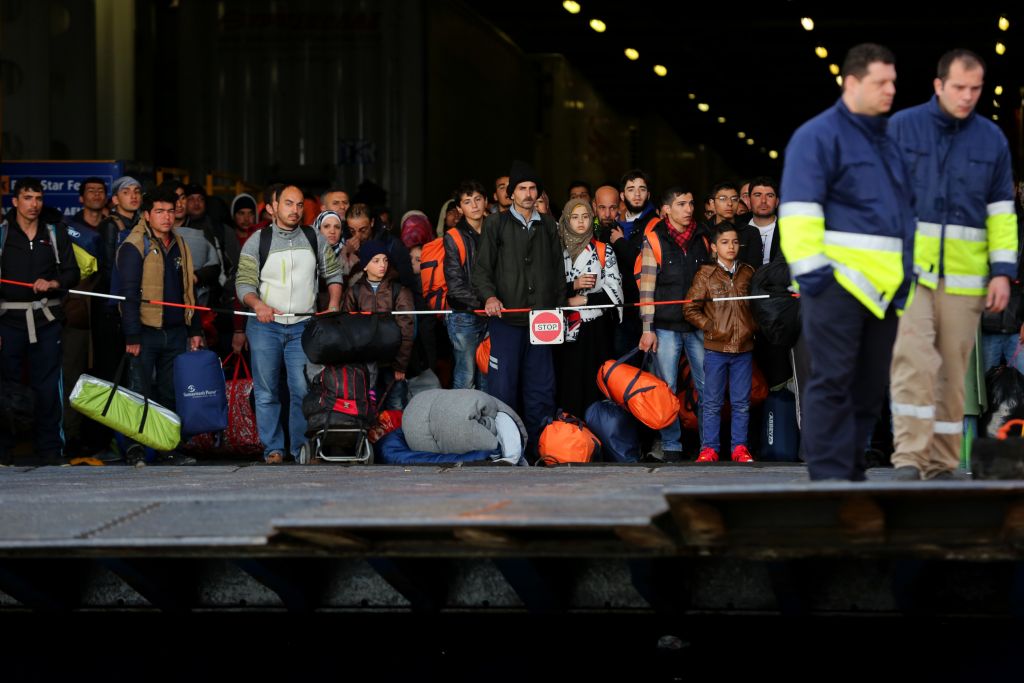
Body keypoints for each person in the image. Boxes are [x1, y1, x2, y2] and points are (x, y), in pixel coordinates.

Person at [779, 43, 915, 482]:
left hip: (885, 289)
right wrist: (817, 279)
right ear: (851, 83)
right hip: (836, 286)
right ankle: (830, 480)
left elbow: (904, 214)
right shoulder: (817, 137)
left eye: (893, 81)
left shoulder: (890, 140)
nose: (891, 90)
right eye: (881, 82)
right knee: (833, 383)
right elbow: (798, 212)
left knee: (869, 390)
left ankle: (850, 474)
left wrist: (906, 277)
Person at [888, 49, 1018, 481]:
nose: (967, 97)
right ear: (938, 85)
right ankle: (909, 456)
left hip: (965, 279)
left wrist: (1002, 270)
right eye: (959, 88)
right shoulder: (904, 128)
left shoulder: (991, 139)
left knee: (951, 370)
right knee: (913, 361)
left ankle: (941, 461)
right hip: (913, 274)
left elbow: (1001, 212)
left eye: (975, 89)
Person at [235, 185, 344, 464]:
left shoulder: (314, 237)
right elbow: (244, 283)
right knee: (267, 390)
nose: (294, 210)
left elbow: (333, 273)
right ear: (273, 206)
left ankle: (300, 449)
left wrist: (333, 305)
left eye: (298, 205)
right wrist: (258, 305)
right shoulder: (257, 240)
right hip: (264, 326)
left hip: (304, 327)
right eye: (288, 204)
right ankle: (273, 448)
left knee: (302, 389)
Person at [473, 161, 565, 459]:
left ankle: (540, 449)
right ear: (510, 194)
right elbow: (482, 269)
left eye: (532, 188)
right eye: (522, 189)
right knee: (504, 388)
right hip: (506, 320)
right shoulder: (495, 224)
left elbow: (557, 271)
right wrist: (488, 297)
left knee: (541, 388)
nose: (528, 194)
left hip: (542, 321)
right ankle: (506, 449)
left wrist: (559, 308)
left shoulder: (548, 224)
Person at [116, 186, 203, 465]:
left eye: (170, 211)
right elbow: (127, 294)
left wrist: (195, 329)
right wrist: (132, 334)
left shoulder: (179, 244)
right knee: (138, 392)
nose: (167, 217)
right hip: (144, 331)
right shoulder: (134, 245)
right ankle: (135, 448)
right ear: (146, 214)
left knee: (169, 393)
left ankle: (167, 448)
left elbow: (189, 289)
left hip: (175, 332)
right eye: (159, 212)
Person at [0, 178, 80, 465]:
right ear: (15, 201)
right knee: (6, 385)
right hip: (8, 320)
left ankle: (49, 448)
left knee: (48, 386)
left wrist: (54, 281)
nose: (34, 204)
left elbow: (73, 273)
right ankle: (4, 449)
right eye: (27, 198)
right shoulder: (3, 233)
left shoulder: (55, 232)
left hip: (46, 320)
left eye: (38, 198)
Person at [637, 187, 710, 461]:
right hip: (666, 327)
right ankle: (672, 446)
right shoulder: (653, 240)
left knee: (707, 387)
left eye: (691, 203)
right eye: (681, 204)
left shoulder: (703, 238)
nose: (689, 208)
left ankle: (709, 446)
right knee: (665, 389)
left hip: (698, 325)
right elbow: (646, 290)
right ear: (666, 209)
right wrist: (647, 329)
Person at [684, 223, 757, 463]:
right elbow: (690, 308)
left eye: (735, 242)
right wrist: (711, 326)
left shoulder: (748, 272)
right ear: (714, 247)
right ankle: (709, 449)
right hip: (715, 349)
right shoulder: (705, 274)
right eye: (725, 242)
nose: (731, 247)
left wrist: (752, 327)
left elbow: (758, 308)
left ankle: (739, 448)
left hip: (744, 349)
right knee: (712, 401)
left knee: (741, 403)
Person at [555, 197, 623, 418]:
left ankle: (599, 438)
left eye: (585, 217)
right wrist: (572, 287)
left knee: (597, 384)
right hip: (562, 330)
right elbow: (545, 290)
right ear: (566, 220)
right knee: (567, 384)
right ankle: (569, 438)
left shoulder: (604, 251)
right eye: (574, 217)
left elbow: (615, 293)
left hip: (596, 328)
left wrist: (583, 300)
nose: (581, 222)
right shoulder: (555, 253)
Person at [343, 241, 415, 409]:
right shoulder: (354, 292)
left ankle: (394, 436)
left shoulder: (399, 290)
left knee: (396, 406)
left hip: (392, 363)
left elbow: (407, 328)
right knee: (367, 407)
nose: (382, 265)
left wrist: (401, 365)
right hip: (364, 364)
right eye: (376, 261)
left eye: (385, 260)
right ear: (365, 266)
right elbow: (346, 329)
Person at [444, 181, 489, 391]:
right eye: (468, 202)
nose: (475, 205)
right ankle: (459, 423)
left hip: (493, 313)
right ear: (460, 209)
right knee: (466, 375)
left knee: (488, 374)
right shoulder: (453, 236)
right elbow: (455, 285)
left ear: (486, 201)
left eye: (478, 199)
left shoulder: (495, 230)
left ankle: (487, 423)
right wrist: (486, 302)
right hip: (464, 315)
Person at [313, 209, 349, 311]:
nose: (332, 231)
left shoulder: (349, 254)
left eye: (337, 227)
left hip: (338, 311)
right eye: (326, 226)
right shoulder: (308, 253)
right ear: (318, 229)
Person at [745, 176, 782, 267]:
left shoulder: (788, 230)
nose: (763, 201)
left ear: (777, 202)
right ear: (749, 200)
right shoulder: (737, 227)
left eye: (770, 196)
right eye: (758, 195)